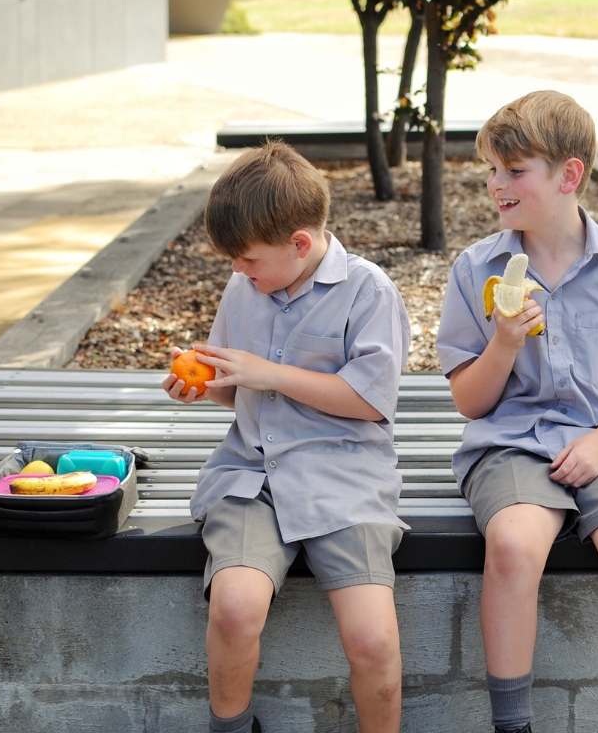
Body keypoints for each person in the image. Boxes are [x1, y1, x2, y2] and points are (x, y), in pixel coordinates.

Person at [436, 91, 598, 733]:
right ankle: (513, 724)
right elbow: (470, 401)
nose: (497, 184)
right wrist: (504, 342)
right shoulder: (477, 270)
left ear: (568, 175)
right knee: (516, 544)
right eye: (491, 170)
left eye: (514, 170)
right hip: (512, 444)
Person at [162, 140, 411, 733]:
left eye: (247, 260)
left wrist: (267, 372)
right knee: (233, 609)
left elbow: (369, 401)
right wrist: (205, 386)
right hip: (254, 476)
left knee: (373, 641)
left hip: (345, 478)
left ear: (300, 244)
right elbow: (238, 385)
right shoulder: (244, 287)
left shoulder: (369, 292)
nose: (237, 271)